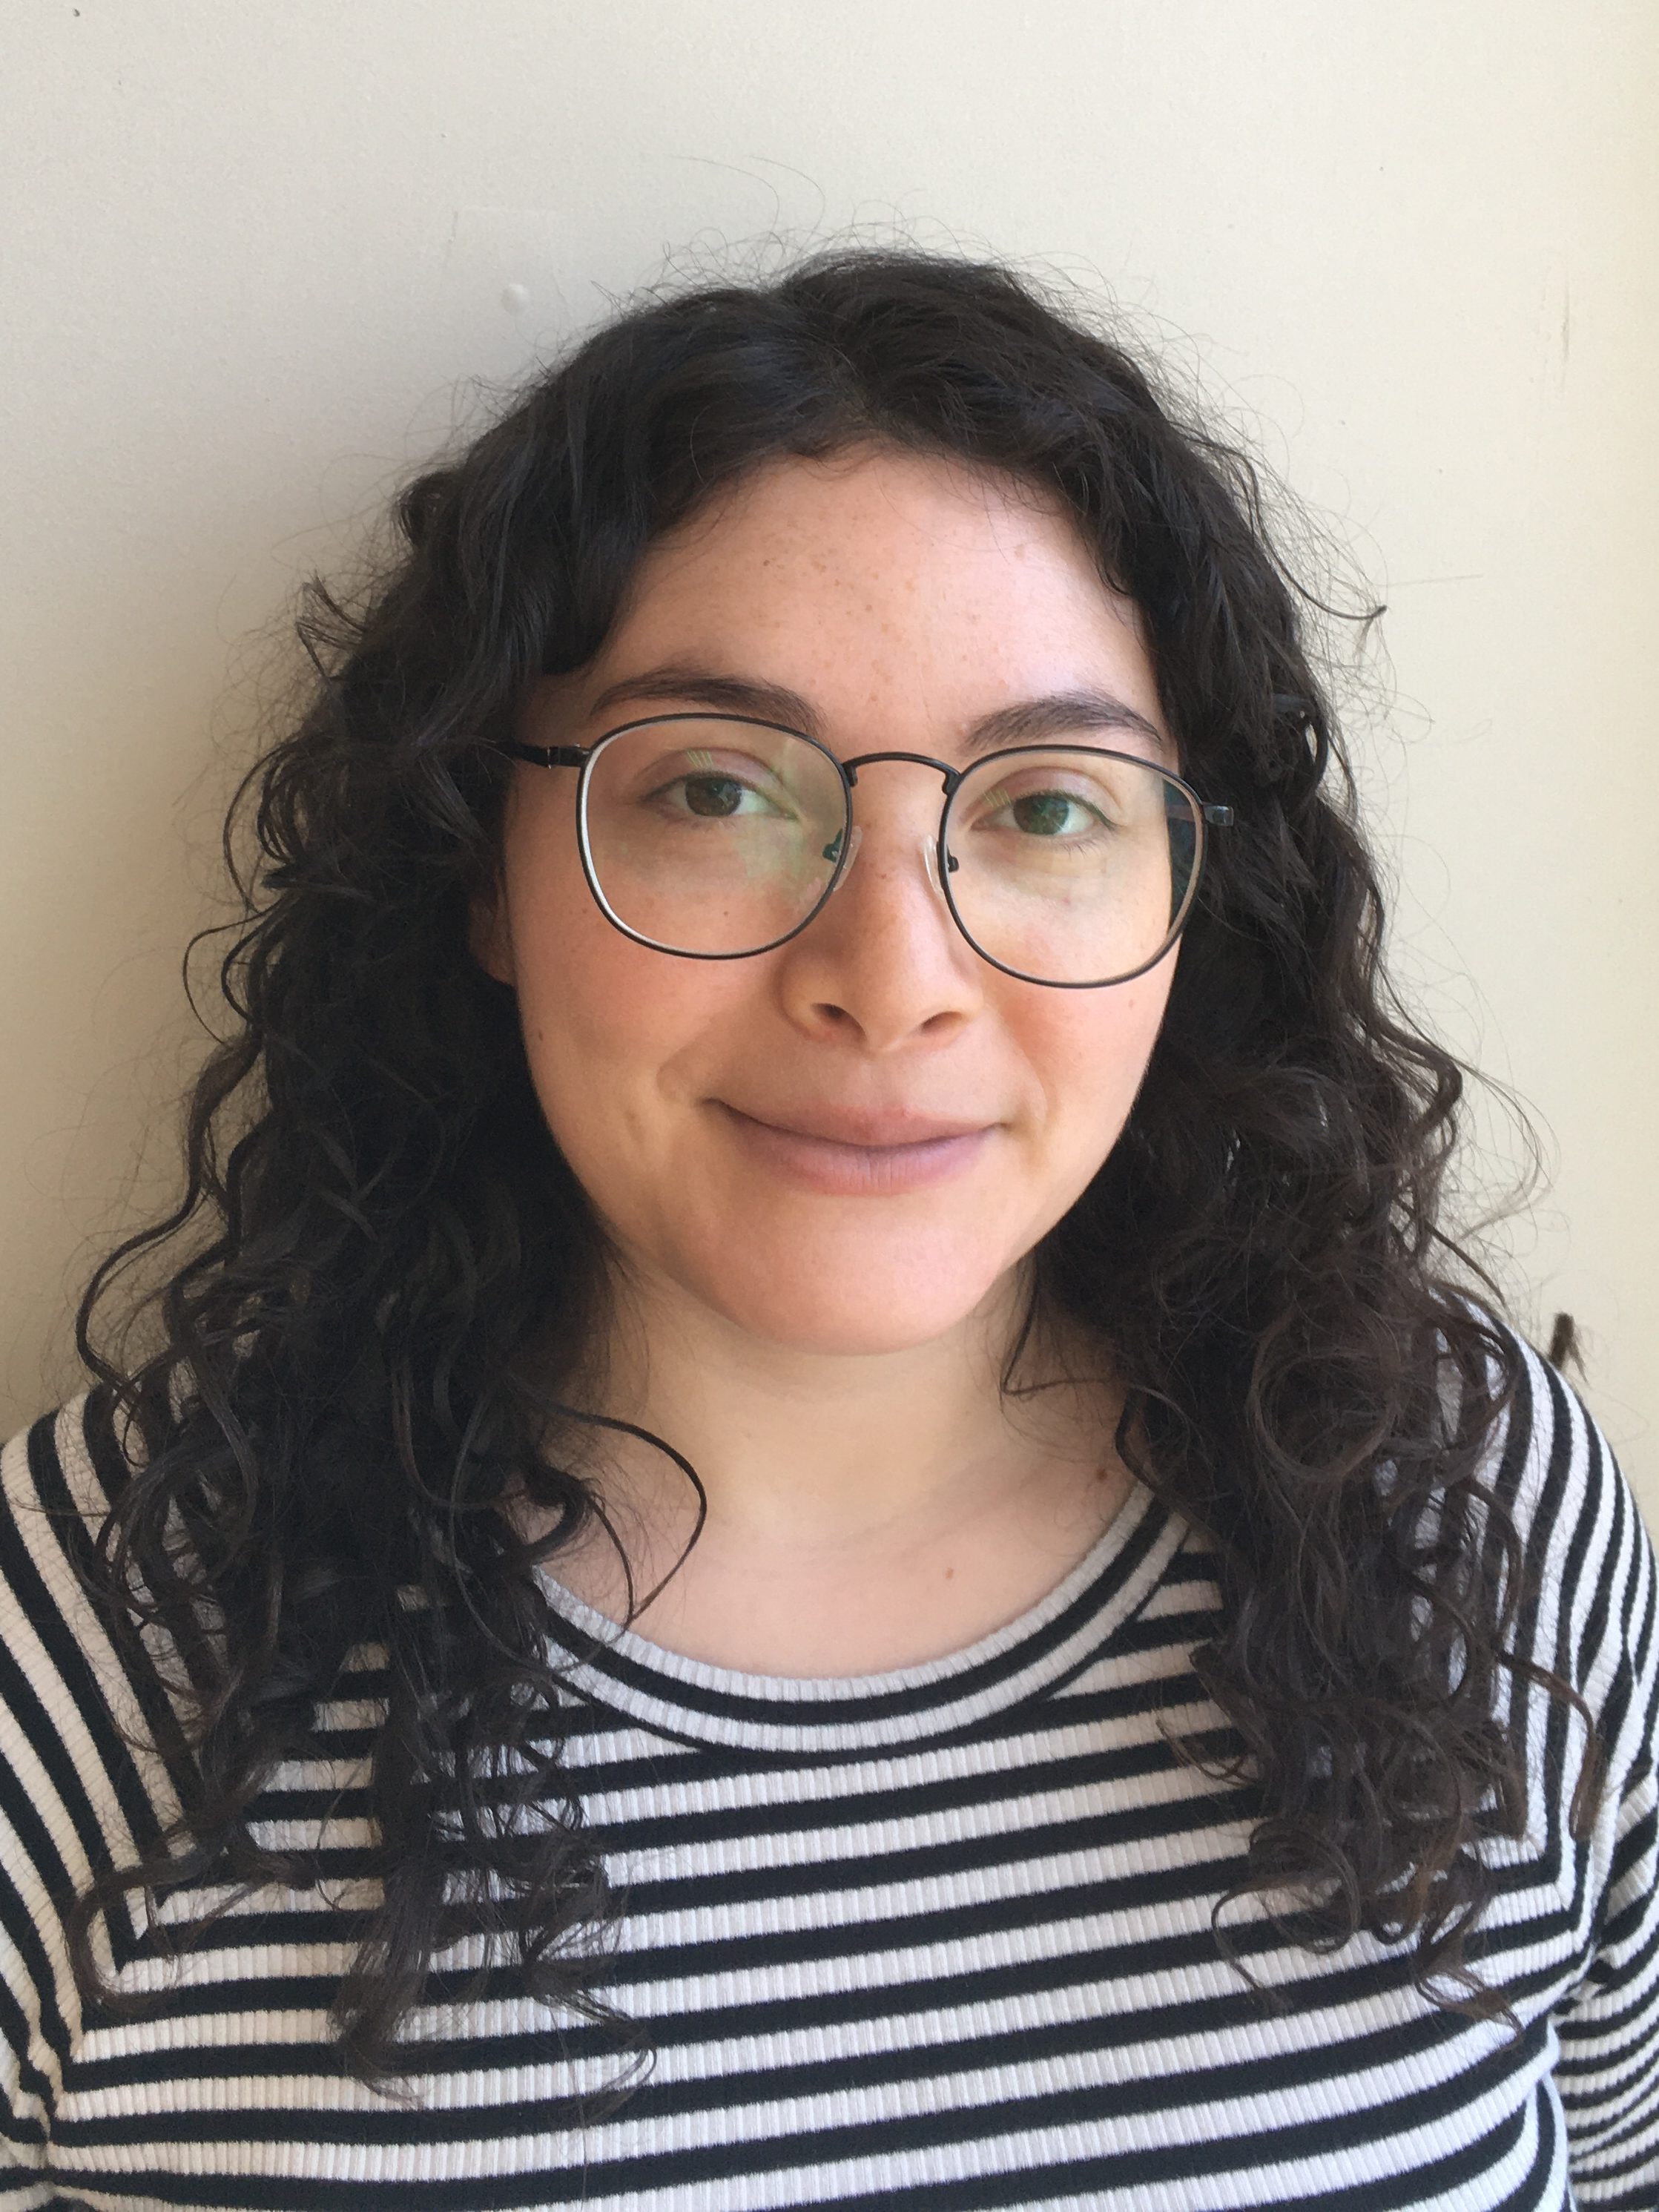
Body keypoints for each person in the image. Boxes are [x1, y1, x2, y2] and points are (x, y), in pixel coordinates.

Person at [0, 249, 1652, 2212]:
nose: (893, 976)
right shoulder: (104, 1634)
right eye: (716, 787)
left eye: (1046, 809)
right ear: (482, 875)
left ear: (1193, 899)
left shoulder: (1463, 1519)